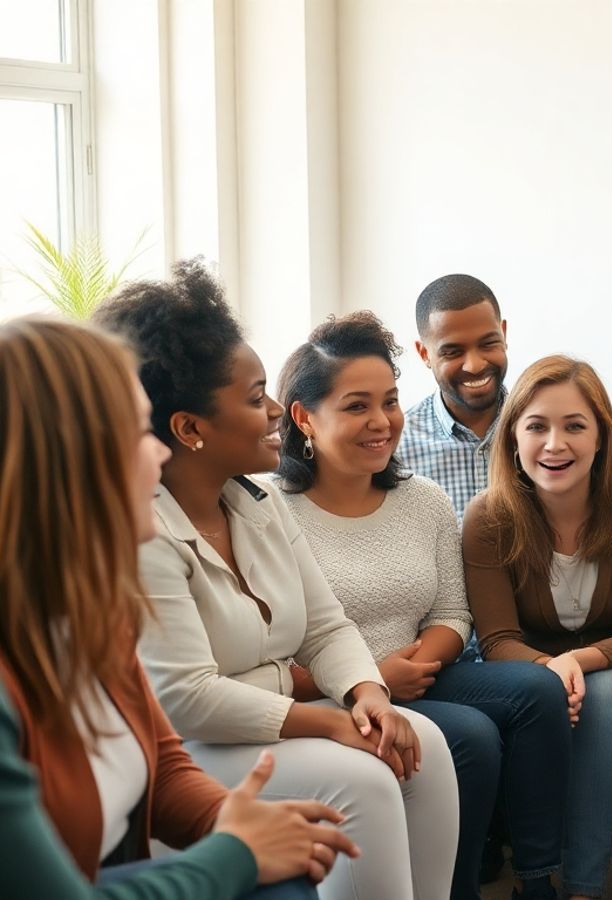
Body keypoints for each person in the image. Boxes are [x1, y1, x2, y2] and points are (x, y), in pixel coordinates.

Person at [94, 260, 458, 900]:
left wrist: (365, 695)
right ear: (189, 429)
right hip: (194, 746)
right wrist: (329, 724)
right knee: (365, 779)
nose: (272, 411)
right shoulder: (143, 530)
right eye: (253, 395)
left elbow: (325, 626)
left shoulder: (258, 506)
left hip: (277, 719)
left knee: (422, 742)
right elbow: (185, 699)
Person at [0, 316, 359, 899]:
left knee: (288, 866)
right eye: (140, 432)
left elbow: (164, 769)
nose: (157, 455)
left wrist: (244, 824)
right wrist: (235, 851)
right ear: (68, 464)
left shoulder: (92, 613)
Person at [275, 312, 569, 900]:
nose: (382, 422)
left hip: (422, 673)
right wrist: (373, 680)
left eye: (390, 401)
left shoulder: (423, 500)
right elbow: (271, 650)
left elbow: (453, 615)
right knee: (472, 738)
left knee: (540, 689)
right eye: (357, 406)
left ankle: (538, 881)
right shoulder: (271, 512)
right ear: (304, 417)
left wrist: (415, 666)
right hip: (331, 691)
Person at [462, 355, 612, 900]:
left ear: (601, 436)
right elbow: (496, 642)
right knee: (561, 699)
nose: (554, 444)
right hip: (540, 681)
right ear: (512, 438)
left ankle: (581, 890)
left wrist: (572, 664)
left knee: (602, 697)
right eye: (536, 426)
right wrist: (548, 673)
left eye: (574, 426)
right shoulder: (487, 517)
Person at [400, 274, 509, 523]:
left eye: (488, 343)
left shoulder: (542, 434)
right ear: (424, 353)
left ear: (503, 334)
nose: (474, 365)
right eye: (453, 352)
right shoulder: (396, 449)